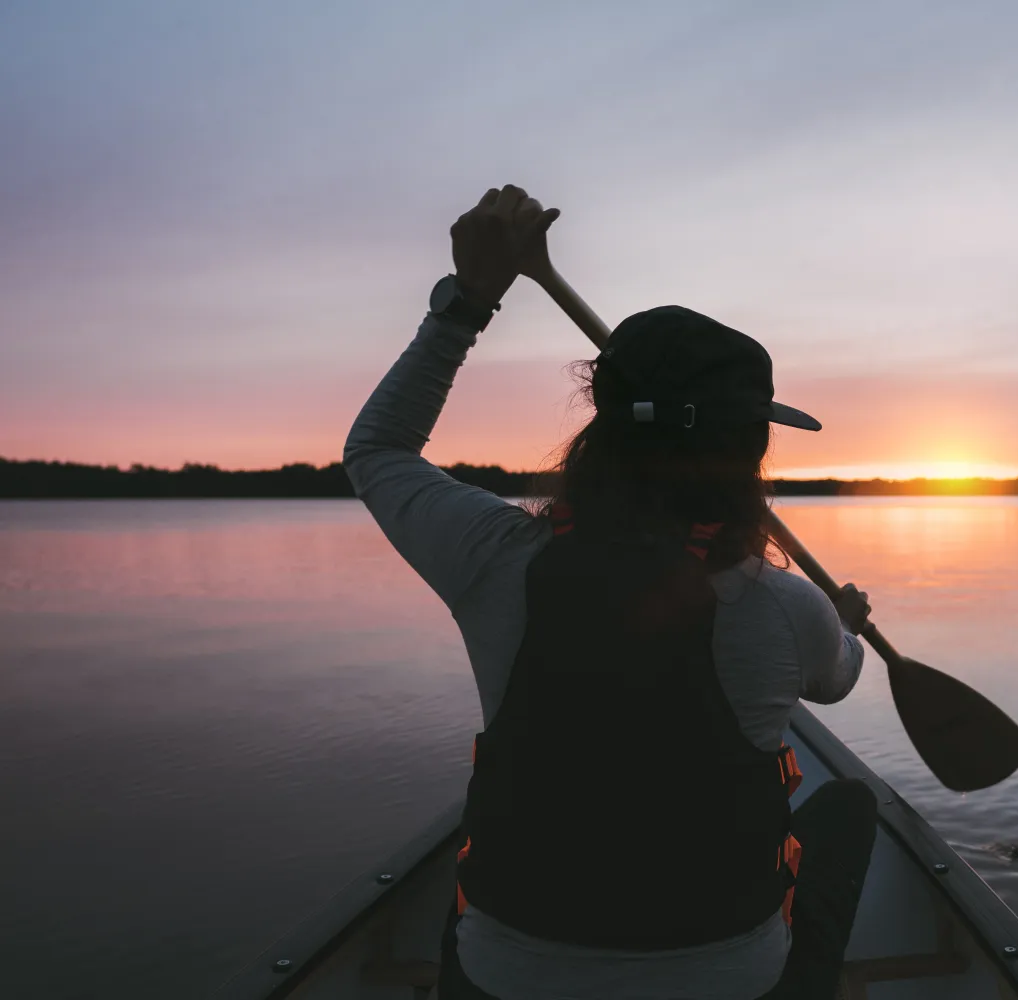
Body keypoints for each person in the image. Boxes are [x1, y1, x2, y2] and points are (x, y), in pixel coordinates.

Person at [343, 185, 879, 1000]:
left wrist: (467, 306)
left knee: (473, 856)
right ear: (748, 452)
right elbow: (836, 679)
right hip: (729, 978)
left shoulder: (493, 557)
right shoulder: (784, 606)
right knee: (850, 810)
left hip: (506, 978)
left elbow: (378, 449)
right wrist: (847, 624)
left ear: (601, 424)